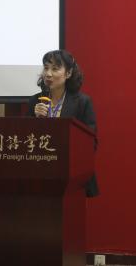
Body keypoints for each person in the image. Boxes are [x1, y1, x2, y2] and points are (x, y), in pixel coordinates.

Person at [27, 49, 99, 197]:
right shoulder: (35, 101)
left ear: (68, 73)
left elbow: (91, 143)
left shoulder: (82, 102)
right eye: (46, 68)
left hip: (71, 177)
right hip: (40, 175)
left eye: (55, 69)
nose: (48, 74)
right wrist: (35, 119)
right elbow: (25, 140)